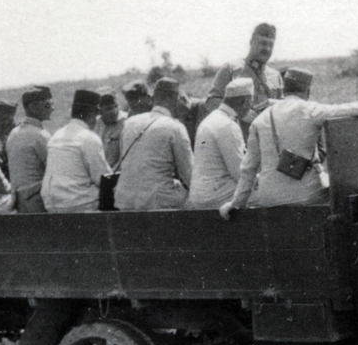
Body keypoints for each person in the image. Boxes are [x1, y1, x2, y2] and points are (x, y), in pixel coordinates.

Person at [221, 67, 358, 215]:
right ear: (307, 91)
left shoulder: (261, 119)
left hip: (268, 198)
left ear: (283, 90)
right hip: (305, 197)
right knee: (343, 197)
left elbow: (248, 169)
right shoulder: (310, 110)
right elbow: (354, 109)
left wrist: (236, 204)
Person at [112, 78, 193, 211]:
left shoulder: (129, 123)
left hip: (124, 200)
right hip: (157, 201)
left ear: (153, 98)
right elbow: (189, 173)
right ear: (175, 99)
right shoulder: (175, 127)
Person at [186, 77, 250, 210]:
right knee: (271, 194)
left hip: (200, 194)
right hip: (216, 196)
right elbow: (240, 173)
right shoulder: (228, 125)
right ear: (245, 102)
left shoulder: (210, 119)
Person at [42, 89, 110, 213]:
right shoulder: (89, 137)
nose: (97, 120)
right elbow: (102, 179)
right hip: (79, 203)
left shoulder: (56, 135)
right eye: (96, 116)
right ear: (91, 114)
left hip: (51, 204)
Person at [204, 23, 282, 116]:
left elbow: (282, 107)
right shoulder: (230, 68)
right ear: (251, 42)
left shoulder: (275, 76)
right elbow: (211, 102)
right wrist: (240, 114)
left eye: (271, 45)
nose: (267, 49)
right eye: (263, 43)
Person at [6, 86, 53, 214]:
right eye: (48, 105)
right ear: (33, 107)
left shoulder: (14, 133)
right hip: (37, 201)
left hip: (19, 201)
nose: (52, 109)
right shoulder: (40, 135)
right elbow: (54, 170)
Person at [96, 92, 126, 169]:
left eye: (116, 106)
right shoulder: (96, 123)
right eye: (108, 108)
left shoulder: (126, 121)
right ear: (100, 111)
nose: (114, 111)